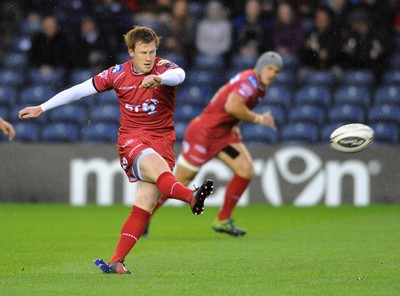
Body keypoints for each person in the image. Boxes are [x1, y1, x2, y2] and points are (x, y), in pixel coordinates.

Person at [18, 26, 214, 274]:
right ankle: (191, 197)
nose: (149, 57)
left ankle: (116, 262)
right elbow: (80, 90)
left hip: (163, 140)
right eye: (143, 52)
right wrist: (43, 107)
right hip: (132, 140)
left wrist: (159, 79)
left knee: (145, 202)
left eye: (152, 52)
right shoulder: (117, 74)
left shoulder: (164, 69)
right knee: (155, 169)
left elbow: (181, 75)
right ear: (131, 51)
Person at [149, 51, 282, 237]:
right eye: (269, 68)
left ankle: (222, 220)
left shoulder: (259, 85)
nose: (272, 73)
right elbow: (232, 106)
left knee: (246, 170)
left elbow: (231, 110)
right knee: (180, 181)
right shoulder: (250, 82)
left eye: (276, 71)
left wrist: (233, 126)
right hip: (204, 134)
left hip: (224, 135)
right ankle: (145, 215)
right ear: (260, 67)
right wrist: (259, 119)